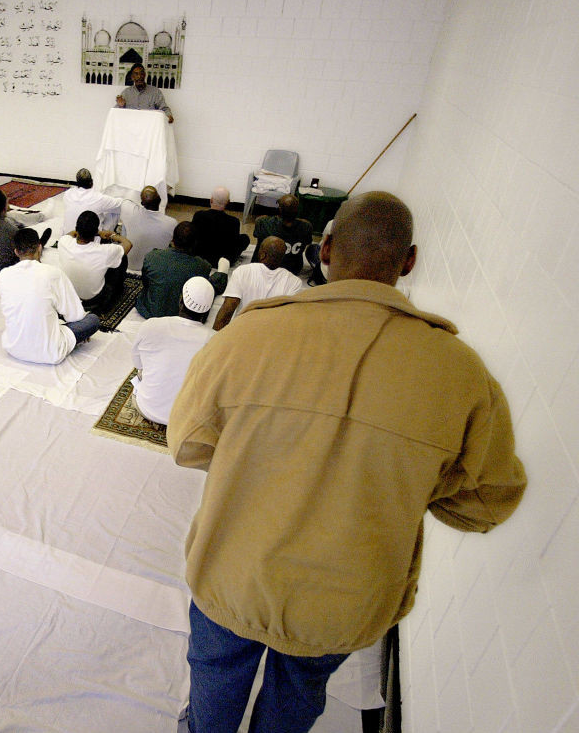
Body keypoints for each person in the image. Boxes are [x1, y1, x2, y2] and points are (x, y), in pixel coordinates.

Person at [168, 191, 526, 733]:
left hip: (232, 576)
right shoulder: (462, 374)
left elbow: (187, 445)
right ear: (409, 261)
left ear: (326, 249)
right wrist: (411, 475)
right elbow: (487, 504)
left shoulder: (246, 337)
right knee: (297, 697)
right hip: (344, 603)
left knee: (215, 681)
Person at [0, 228, 100, 365]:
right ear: (39, 247)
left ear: (16, 252)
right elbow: (75, 316)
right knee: (92, 320)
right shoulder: (53, 273)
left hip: (14, 348)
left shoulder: (4, 275)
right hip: (50, 353)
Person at [130, 277, 214, 426]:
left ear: (181, 301)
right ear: (209, 309)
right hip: (188, 420)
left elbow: (138, 364)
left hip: (147, 408)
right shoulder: (215, 339)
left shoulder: (151, 325)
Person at [136, 222, 226, 319]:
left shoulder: (152, 257)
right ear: (195, 243)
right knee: (208, 288)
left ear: (172, 239)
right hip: (182, 315)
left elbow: (146, 284)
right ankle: (222, 274)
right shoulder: (203, 267)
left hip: (151, 311)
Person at [211, 237, 304, 331]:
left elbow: (227, 310)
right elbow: (288, 318)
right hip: (271, 336)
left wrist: (214, 338)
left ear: (262, 255)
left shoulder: (243, 272)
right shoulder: (294, 282)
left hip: (240, 332)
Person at [58, 210, 132, 311]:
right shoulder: (104, 251)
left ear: (76, 229)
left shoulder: (63, 242)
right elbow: (128, 244)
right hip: (94, 301)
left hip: (70, 296)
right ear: (95, 231)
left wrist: (92, 231)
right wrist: (112, 235)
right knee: (121, 256)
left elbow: (70, 234)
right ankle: (117, 292)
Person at [251, 194, 313, 275]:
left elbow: (256, 234)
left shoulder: (262, 222)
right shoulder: (307, 226)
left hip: (264, 267)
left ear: (280, 209)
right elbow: (308, 242)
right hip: (293, 269)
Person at [120, 186, 176, 272]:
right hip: (154, 269)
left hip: (128, 265)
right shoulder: (172, 223)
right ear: (160, 200)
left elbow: (127, 200)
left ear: (142, 203)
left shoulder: (128, 210)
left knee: (125, 223)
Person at [192, 186, 249, 268]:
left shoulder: (198, 215)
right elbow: (233, 244)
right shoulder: (234, 221)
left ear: (211, 200)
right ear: (228, 202)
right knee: (245, 238)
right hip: (222, 262)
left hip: (201, 257)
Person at [62, 168, 124, 234]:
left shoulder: (67, 194)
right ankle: (109, 234)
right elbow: (121, 204)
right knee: (114, 211)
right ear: (91, 182)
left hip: (68, 235)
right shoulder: (99, 198)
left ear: (77, 183)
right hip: (89, 237)